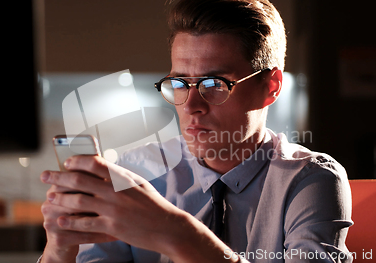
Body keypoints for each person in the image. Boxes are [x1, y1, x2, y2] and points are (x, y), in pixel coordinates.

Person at [39, 0, 353, 262]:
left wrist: (177, 233)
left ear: (270, 87)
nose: (191, 105)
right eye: (179, 83)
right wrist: (59, 250)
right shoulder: (134, 173)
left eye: (215, 84)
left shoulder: (309, 180)